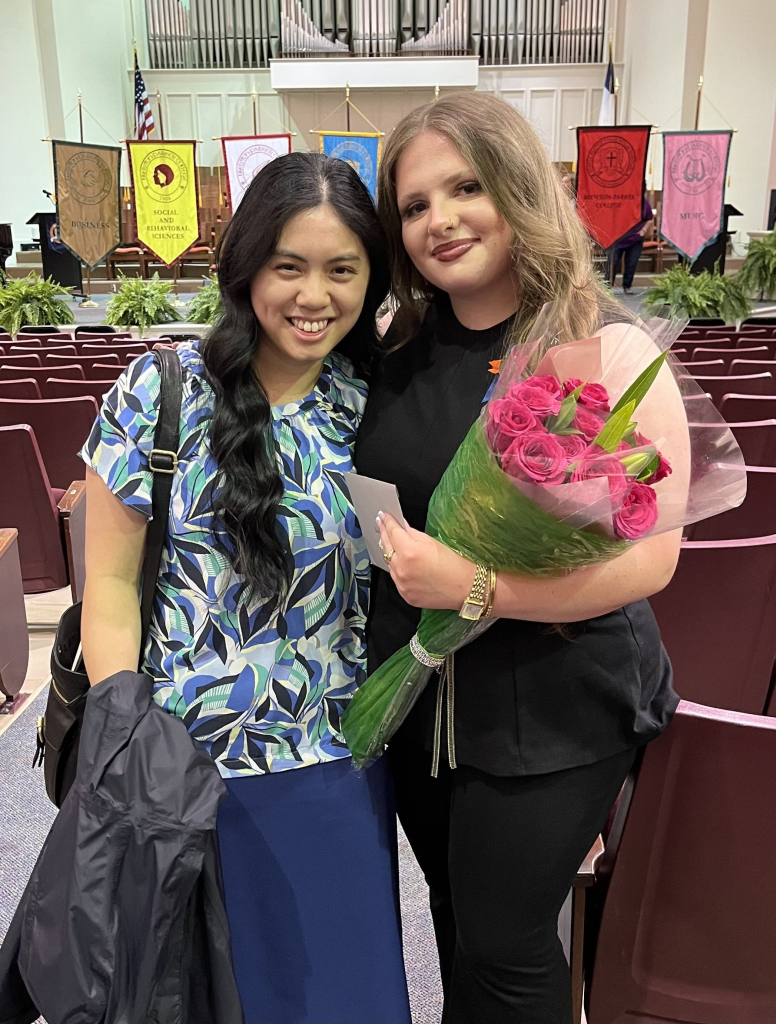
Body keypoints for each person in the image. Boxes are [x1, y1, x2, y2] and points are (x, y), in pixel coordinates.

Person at [355, 92, 684, 1024]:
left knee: (506, 941)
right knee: (457, 917)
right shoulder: (398, 354)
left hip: (555, 698)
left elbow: (655, 555)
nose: (439, 220)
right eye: (414, 206)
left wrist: (483, 586)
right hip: (423, 698)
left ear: (518, 188)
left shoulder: (603, 345)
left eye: (465, 188)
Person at [79, 153, 411, 1024]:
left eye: (342, 270)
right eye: (288, 266)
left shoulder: (376, 402)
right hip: (184, 778)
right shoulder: (161, 392)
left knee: (342, 1001)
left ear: (372, 277)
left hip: (337, 768)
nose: (314, 296)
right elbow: (110, 588)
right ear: (246, 267)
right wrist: (122, 748)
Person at [611, 195, 654, 293]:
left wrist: (644, 229)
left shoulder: (643, 202)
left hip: (636, 238)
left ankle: (627, 286)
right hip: (617, 238)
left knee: (631, 263)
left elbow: (649, 218)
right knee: (613, 262)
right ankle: (608, 286)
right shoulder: (618, 199)